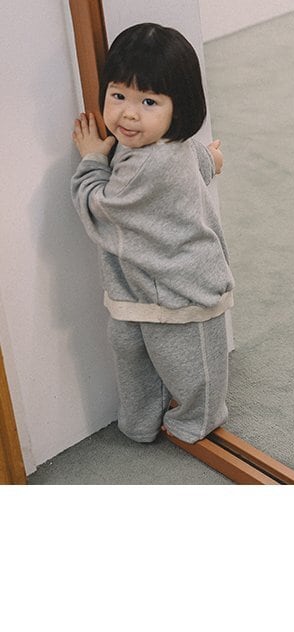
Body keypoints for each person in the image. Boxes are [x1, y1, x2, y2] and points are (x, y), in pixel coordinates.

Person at [71, 22, 235, 443]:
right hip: (149, 289)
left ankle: (176, 421)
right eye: (118, 95)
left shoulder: (148, 158)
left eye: (148, 101)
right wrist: (210, 161)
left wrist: (91, 159)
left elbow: (103, 206)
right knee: (149, 362)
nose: (128, 113)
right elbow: (187, 159)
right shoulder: (153, 144)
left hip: (171, 289)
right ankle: (156, 420)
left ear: (179, 108)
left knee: (183, 369)